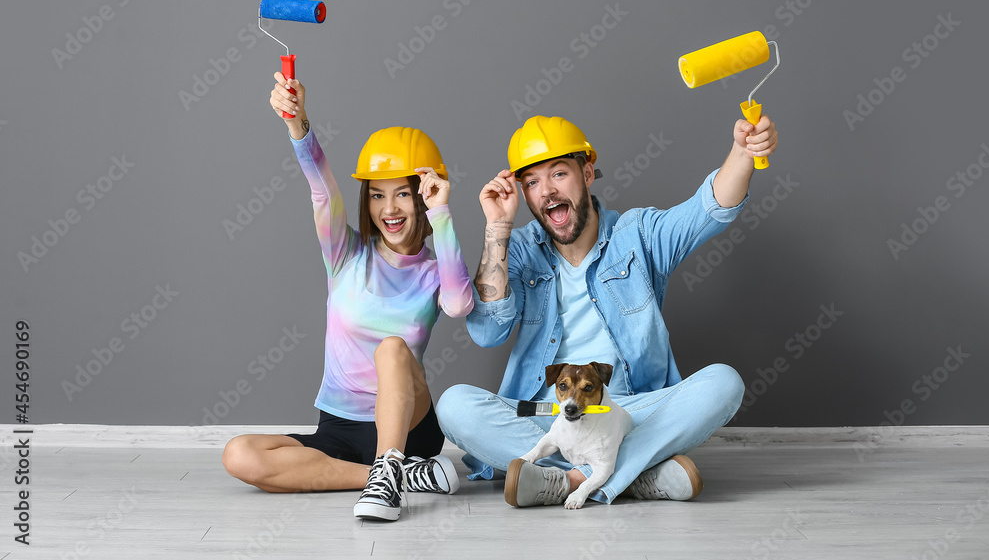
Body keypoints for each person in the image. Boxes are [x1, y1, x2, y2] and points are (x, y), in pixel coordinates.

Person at [437, 113, 778, 507]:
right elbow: (485, 332)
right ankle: (636, 475)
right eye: (531, 182)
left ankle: (567, 481)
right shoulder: (519, 249)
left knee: (724, 383)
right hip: (547, 412)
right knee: (455, 406)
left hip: (626, 409)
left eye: (558, 173)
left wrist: (742, 151)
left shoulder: (637, 235)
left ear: (587, 172)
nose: (546, 191)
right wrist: (497, 228)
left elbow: (707, 210)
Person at [223, 73, 474, 522]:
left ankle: (393, 467)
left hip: (409, 425)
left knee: (393, 348)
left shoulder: (436, 271)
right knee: (240, 456)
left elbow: (458, 305)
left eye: (402, 194)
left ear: (421, 196)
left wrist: (443, 215)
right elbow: (322, 188)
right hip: (338, 426)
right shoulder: (345, 252)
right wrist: (297, 123)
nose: (389, 209)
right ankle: (395, 475)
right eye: (378, 195)